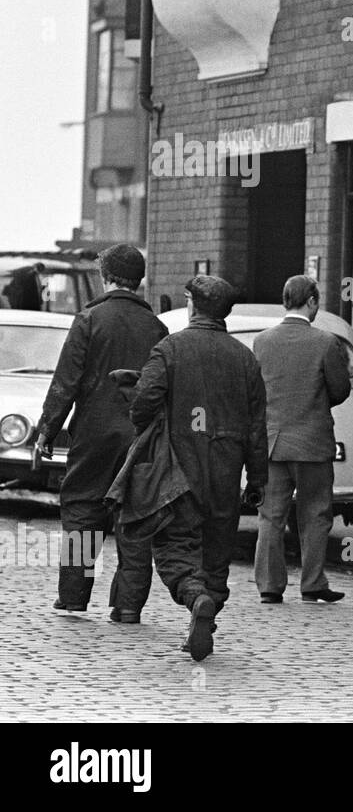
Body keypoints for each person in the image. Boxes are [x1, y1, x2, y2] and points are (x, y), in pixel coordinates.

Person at [129, 275, 268, 661]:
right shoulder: (245, 359)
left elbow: (144, 402)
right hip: (226, 472)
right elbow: (258, 427)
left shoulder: (170, 349)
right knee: (216, 551)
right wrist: (257, 480)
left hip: (178, 472)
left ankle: (195, 598)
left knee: (174, 546)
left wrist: (146, 422)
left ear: (191, 305)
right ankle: (206, 608)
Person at [35, 244, 168, 619]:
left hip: (93, 433)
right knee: (134, 516)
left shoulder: (88, 320)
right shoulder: (156, 327)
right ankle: (127, 606)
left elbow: (67, 381)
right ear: (138, 281)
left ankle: (75, 595)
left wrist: (48, 429)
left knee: (82, 511)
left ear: (105, 277)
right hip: (141, 437)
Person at [252, 276, 351, 605]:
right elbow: (339, 389)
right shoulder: (326, 342)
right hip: (312, 442)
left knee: (270, 516)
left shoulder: (262, 341)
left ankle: (269, 586)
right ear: (311, 301)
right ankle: (312, 583)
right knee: (315, 514)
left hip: (273, 443)